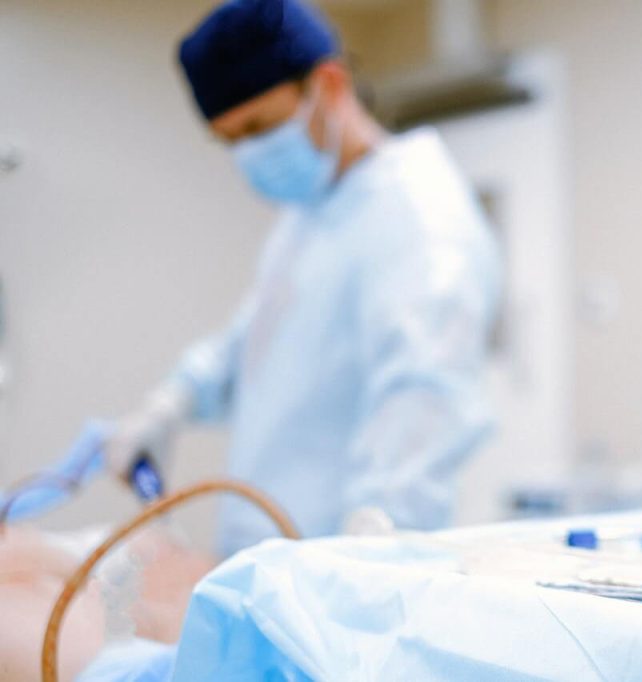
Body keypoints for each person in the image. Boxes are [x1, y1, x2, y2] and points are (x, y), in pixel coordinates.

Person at [106, 0, 500, 556]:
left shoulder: (421, 221)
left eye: (259, 127)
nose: (249, 155)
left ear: (330, 85)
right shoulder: (311, 217)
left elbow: (421, 416)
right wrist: (173, 401)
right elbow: (257, 342)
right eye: (230, 140)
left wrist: (368, 556)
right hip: (269, 558)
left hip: (337, 577)